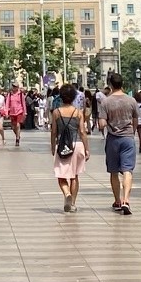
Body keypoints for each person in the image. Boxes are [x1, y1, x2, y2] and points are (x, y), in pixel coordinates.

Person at [100, 71, 140, 214]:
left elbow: (101, 123)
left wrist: (104, 124)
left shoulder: (105, 102)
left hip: (113, 139)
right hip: (128, 138)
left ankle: (117, 200)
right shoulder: (131, 101)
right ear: (122, 84)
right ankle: (126, 200)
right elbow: (136, 119)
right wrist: (132, 131)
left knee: (114, 171)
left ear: (110, 85)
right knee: (127, 170)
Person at [51, 82, 90, 212]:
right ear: (74, 97)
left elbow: (54, 132)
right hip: (77, 144)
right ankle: (72, 203)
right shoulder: (78, 113)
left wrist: (52, 146)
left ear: (61, 96)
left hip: (63, 145)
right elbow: (83, 132)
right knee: (74, 176)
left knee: (61, 175)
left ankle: (67, 193)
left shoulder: (56, 112)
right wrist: (87, 148)